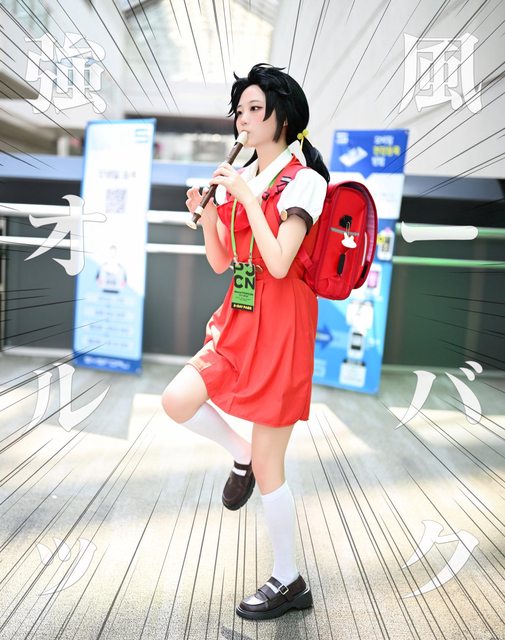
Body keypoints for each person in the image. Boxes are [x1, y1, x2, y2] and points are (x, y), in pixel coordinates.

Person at [161, 63, 329, 620]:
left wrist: (246, 199)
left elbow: (279, 263)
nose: (244, 120)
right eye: (240, 110)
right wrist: (209, 213)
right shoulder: (244, 177)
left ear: (284, 117)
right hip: (237, 315)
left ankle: (289, 579)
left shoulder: (305, 181)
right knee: (177, 400)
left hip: (281, 326)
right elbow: (221, 262)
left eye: (256, 109)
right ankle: (240, 455)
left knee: (272, 462)